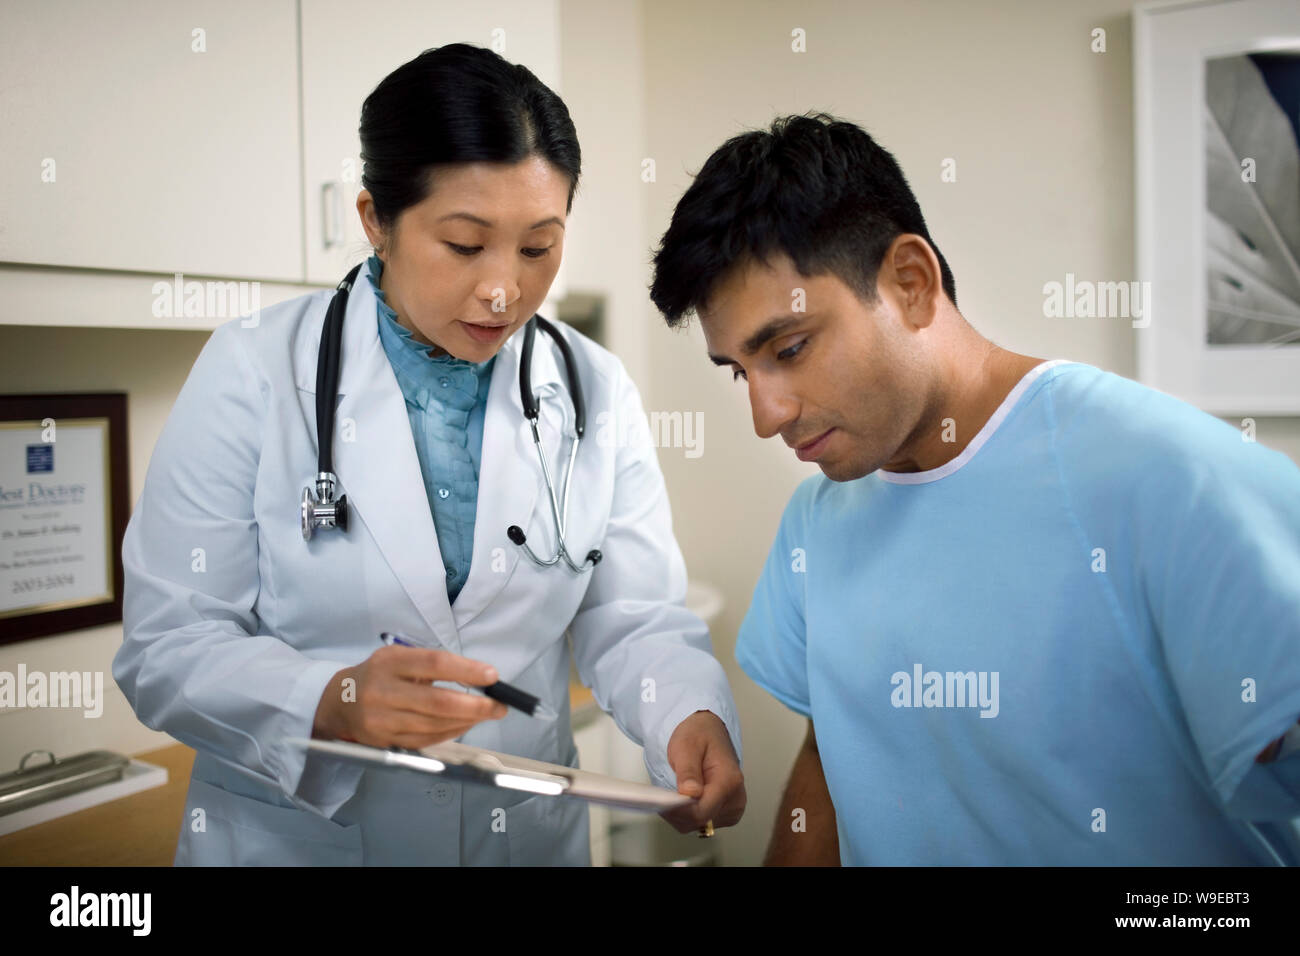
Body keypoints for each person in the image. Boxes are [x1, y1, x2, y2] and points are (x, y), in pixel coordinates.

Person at [113, 43, 745, 866]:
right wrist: (328, 699)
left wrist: (686, 717)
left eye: (536, 247)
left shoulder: (594, 388)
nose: (502, 291)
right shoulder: (252, 372)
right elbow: (168, 646)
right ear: (376, 219)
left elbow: (632, 619)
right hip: (300, 841)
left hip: (520, 837)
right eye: (464, 243)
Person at [647, 112, 1300, 865]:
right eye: (739, 371)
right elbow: (833, 754)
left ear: (910, 283)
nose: (767, 414)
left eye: (789, 350)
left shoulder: (1172, 478)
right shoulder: (818, 521)